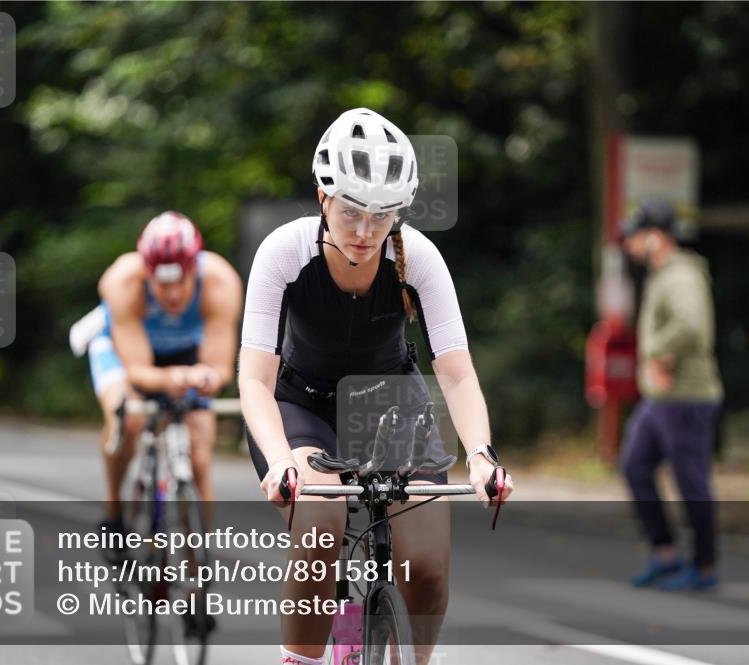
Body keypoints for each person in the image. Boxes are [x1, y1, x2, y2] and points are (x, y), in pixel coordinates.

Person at [238, 108, 514, 665]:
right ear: (322, 197)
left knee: (429, 565)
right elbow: (254, 378)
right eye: (351, 214)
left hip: (391, 403)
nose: (365, 232)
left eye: (383, 216)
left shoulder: (420, 258)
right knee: (320, 526)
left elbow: (456, 372)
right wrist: (278, 461)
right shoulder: (283, 253)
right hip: (302, 406)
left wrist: (481, 455)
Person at [71, 211, 243, 543]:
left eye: (182, 281)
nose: (175, 294)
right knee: (127, 419)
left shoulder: (221, 282)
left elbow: (219, 367)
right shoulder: (123, 282)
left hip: (185, 351)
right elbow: (136, 371)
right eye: (163, 284)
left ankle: (197, 568)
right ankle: (114, 514)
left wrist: (204, 378)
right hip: (126, 350)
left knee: (199, 452)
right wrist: (171, 380)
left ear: (195, 268)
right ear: (147, 272)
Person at [619, 199, 724, 591]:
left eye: (635, 235)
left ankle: (704, 566)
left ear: (655, 237)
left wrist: (660, 355)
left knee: (692, 483)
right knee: (634, 465)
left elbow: (692, 325)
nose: (629, 243)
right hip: (661, 400)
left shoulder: (681, 276)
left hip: (686, 397)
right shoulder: (663, 274)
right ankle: (665, 554)